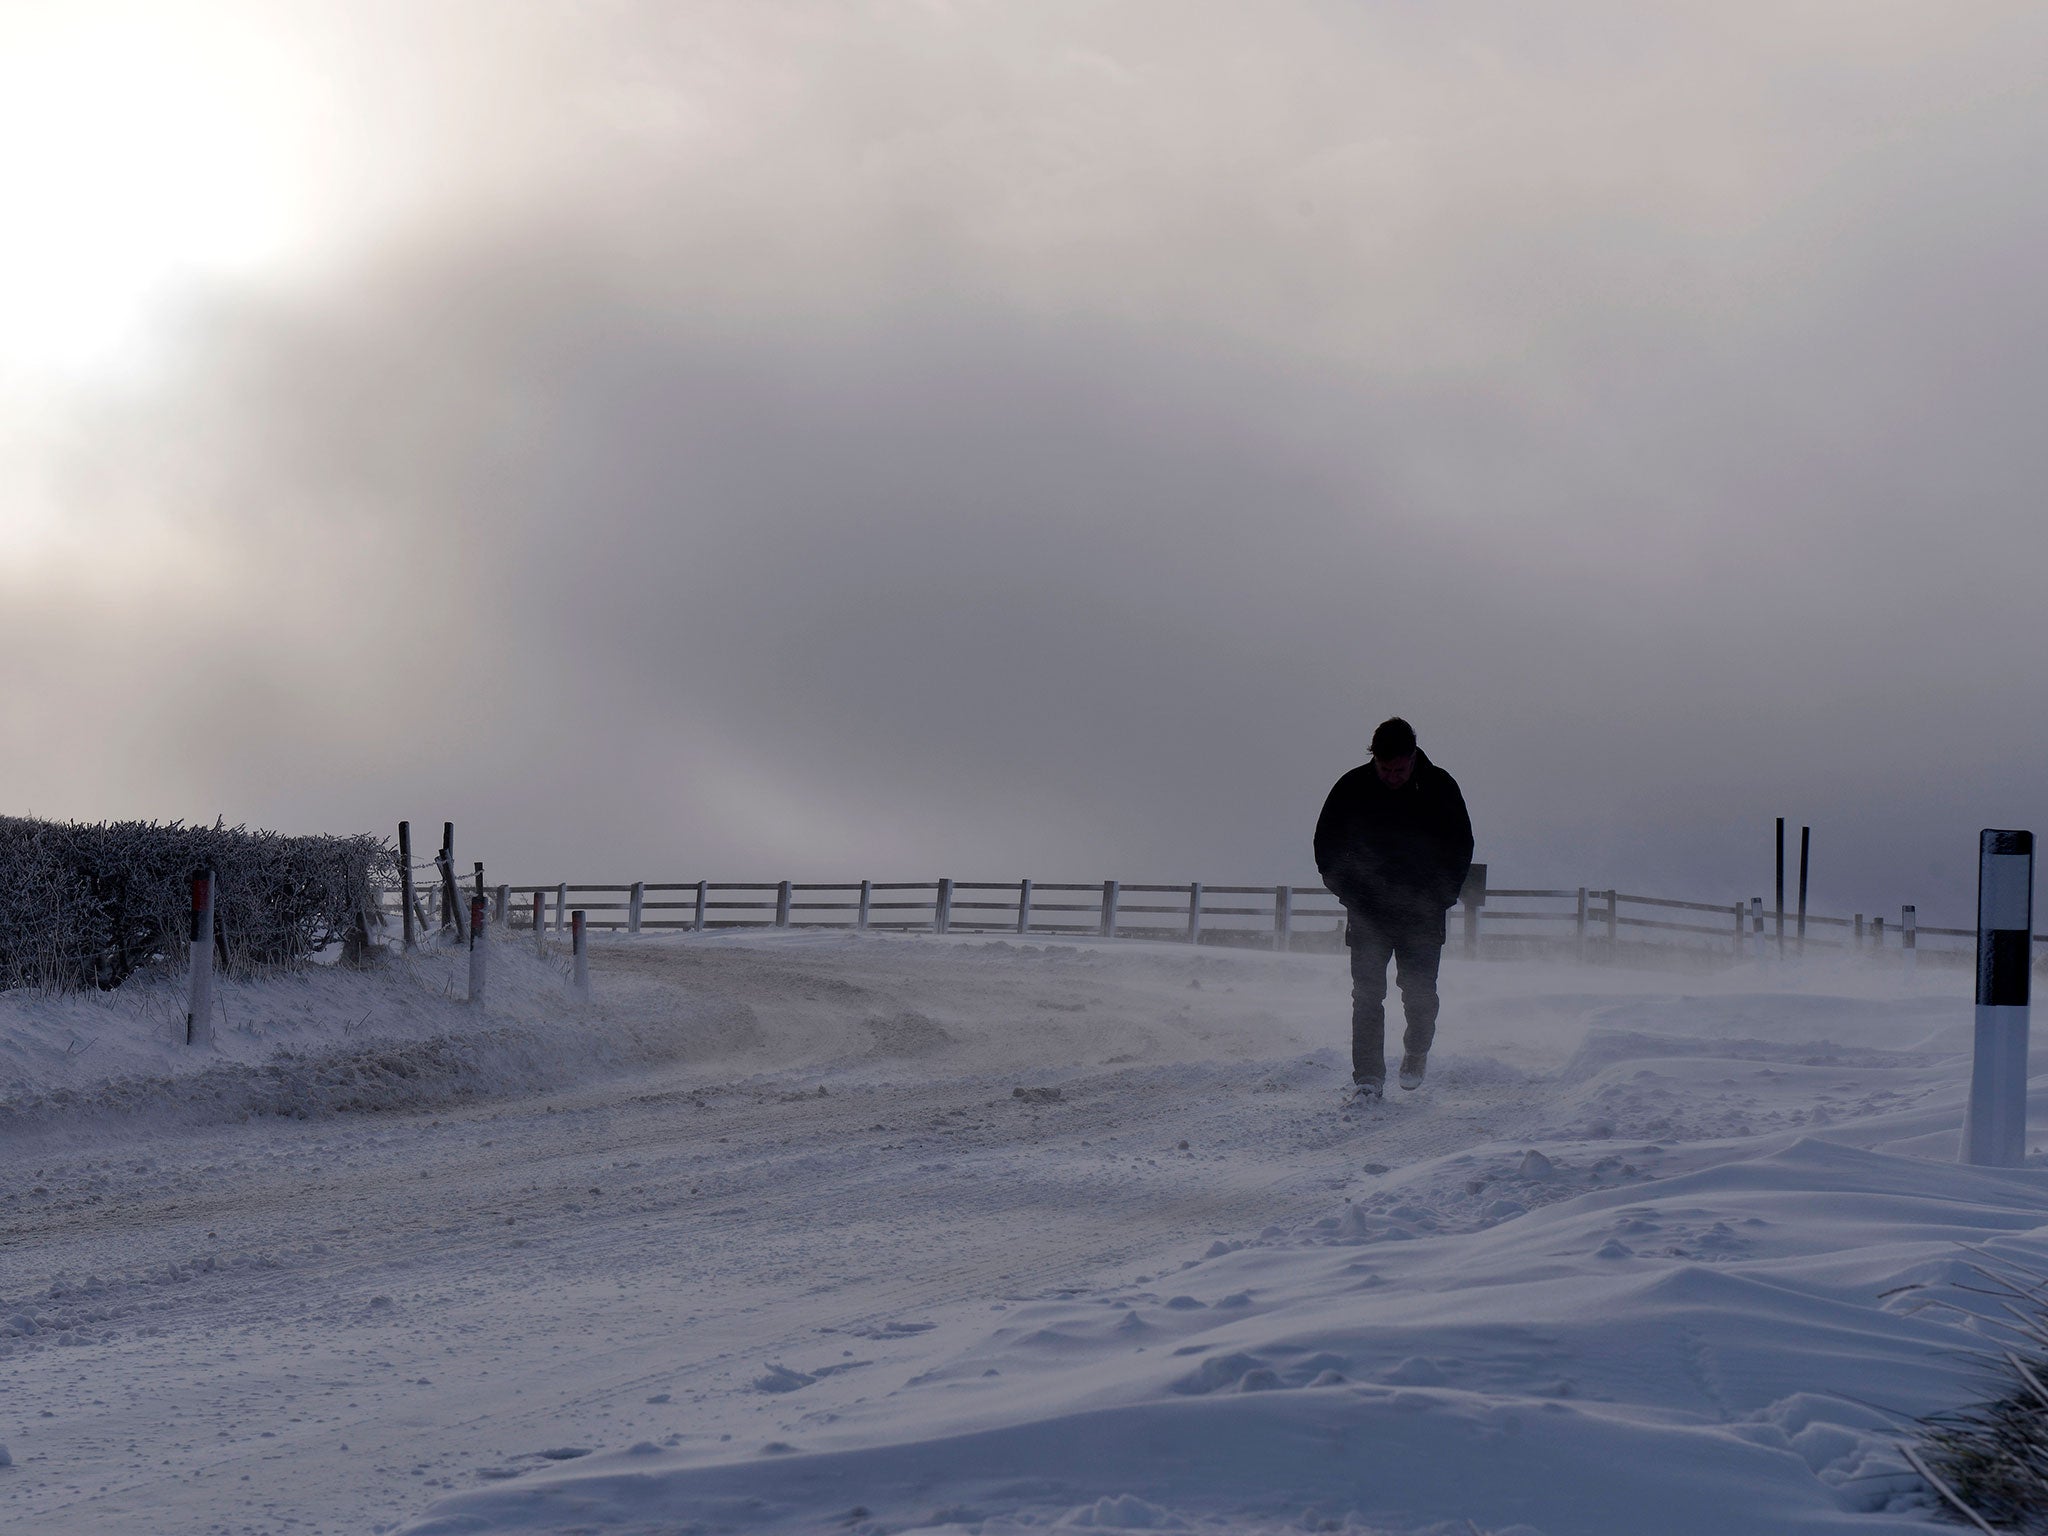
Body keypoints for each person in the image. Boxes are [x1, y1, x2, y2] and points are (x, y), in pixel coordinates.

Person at [1313, 717, 1473, 1101]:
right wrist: (1349, 893)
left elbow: (1460, 846)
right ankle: (1367, 1078)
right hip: (1369, 912)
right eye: (1385, 769)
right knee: (1367, 994)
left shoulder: (1441, 787)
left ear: (1413, 757)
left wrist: (1440, 897)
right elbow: (1326, 844)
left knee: (1419, 994)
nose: (1392, 776)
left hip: (1422, 913)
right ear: (1374, 759)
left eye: (1399, 769)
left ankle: (1416, 1053)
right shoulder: (1351, 787)